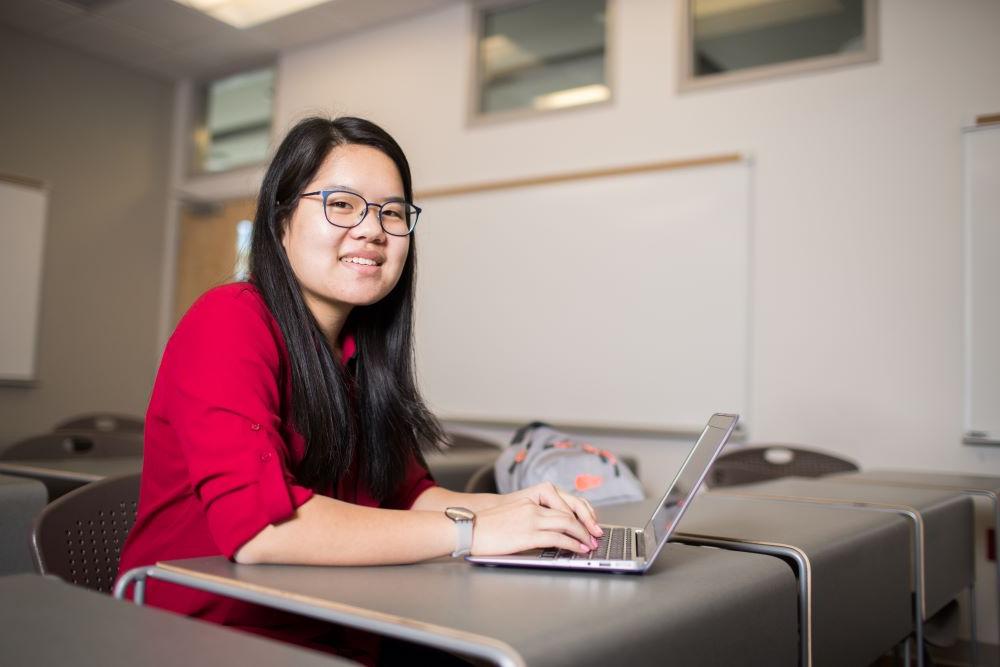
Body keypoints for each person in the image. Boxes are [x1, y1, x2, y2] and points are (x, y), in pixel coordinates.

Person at [117, 116, 603, 664]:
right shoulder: (228, 320)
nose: (373, 230)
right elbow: (261, 534)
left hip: (337, 621)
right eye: (342, 204)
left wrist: (517, 510)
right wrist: (473, 532)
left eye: (392, 213)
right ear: (280, 222)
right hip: (210, 637)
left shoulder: (361, 352)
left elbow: (410, 495)